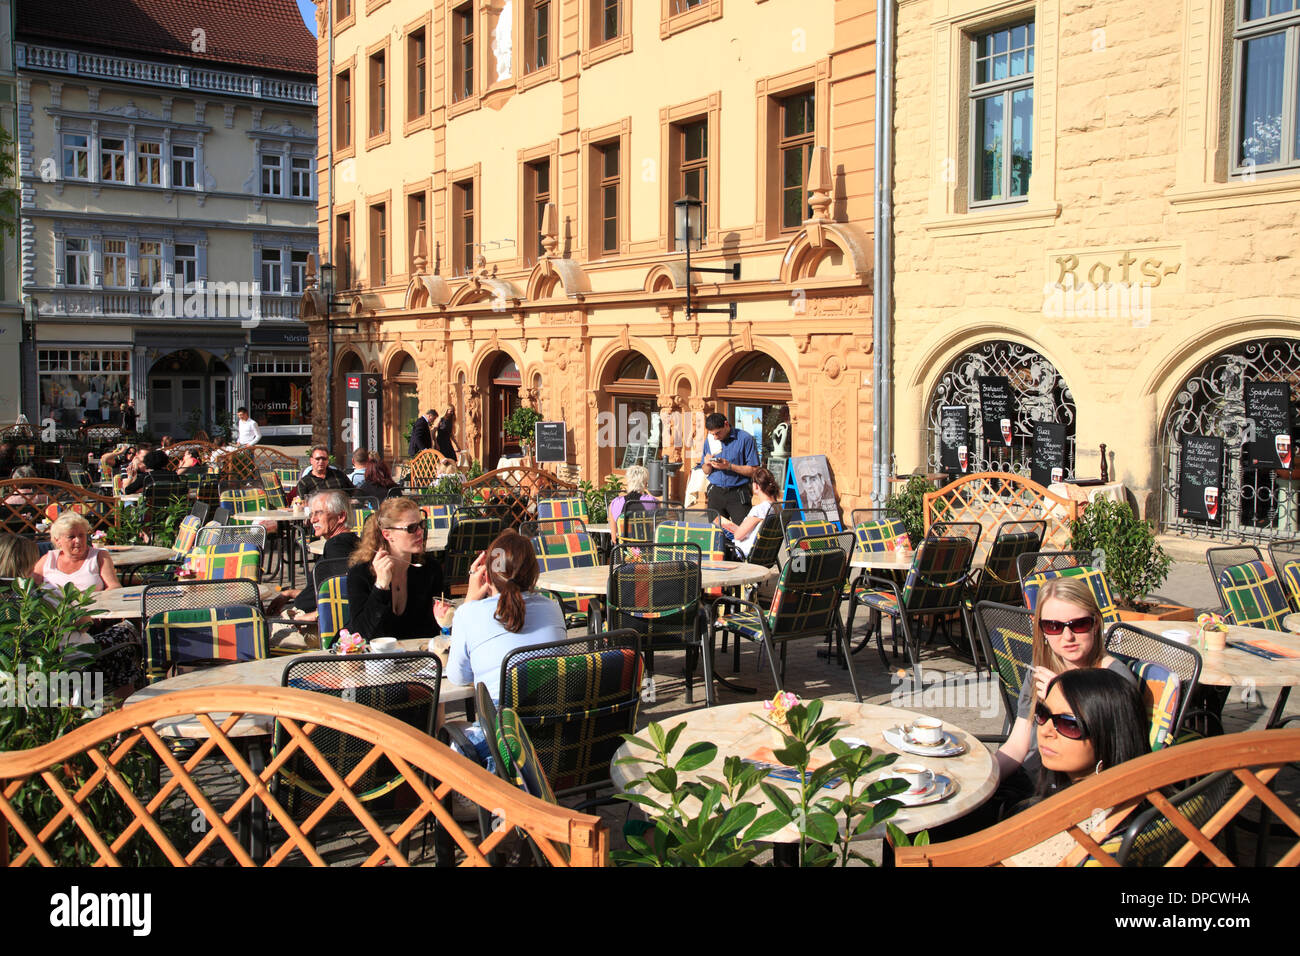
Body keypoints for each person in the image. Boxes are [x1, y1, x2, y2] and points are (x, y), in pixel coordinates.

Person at [994, 576, 1140, 800]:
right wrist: (985, 780)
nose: (1067, 637)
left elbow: (1111, 755)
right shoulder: (1041, 668)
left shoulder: (1113, 679)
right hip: (1030, 775)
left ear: (1095, 624)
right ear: (1042, 630)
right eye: (1053, 626)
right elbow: (1017, 744)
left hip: (1068, 791)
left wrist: (1060, 694)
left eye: (1079, 624)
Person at [448, 530, 566, 702]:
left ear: (487, 576)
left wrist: (469, 602)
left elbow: (458, 678)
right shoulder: (553, 608)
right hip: (551, 720)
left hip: (501, 726)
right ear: (534, 575)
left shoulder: (468, 614)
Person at [1033, 668, 1149, 800]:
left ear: (1110, 737)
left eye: (1069, 724)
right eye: (1042, 713)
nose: (1044, 731)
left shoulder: (1126, 815)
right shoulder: (1052, 786)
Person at [346, 497, 443, 639]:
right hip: (371, 657)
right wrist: (380, 587)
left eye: (422, 524)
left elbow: (436, 626)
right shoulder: (361, 573)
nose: (420, 532)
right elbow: (362, 634)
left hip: (418, 657)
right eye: (411, 528)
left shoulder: (430, 569)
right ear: (387, 534)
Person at [268, 490, 360, 620]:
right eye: (312, 514)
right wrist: (291, 593)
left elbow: (346, 593)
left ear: (341, 517)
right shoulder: (347, 541)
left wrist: (314, 615)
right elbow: (322, 591)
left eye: (319, 513)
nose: (312, 520)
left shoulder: (338, 546)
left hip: (318, 625)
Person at [35, 512, 121, 592]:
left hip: (91, 607)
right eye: (71, 537)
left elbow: (114, 586)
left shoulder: (100, 556)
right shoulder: (48, 559)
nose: (78, 540)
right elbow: (30, 587)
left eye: (81, 535)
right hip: (54, 607)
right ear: (57, 540)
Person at [699, 412, 760, 524]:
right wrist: (707, 463)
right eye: (712, 434)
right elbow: (705, 470)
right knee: (716, 534)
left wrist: (729, 466)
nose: (716, 437)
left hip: (738, 493)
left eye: (718, 433)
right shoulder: (710, 440)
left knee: (743, 534)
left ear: (726, 424)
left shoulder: (745, 439)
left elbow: (754, 470)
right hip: (715, 492)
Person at [717, 466, 780, 558]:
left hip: (745, 552)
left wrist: (734, 529)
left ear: (756, 486)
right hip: (767, 553)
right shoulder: (778, 507)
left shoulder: (759, 510)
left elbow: (738, 536)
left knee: (718, 535)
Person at [607, 464, 658, 542]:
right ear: (645, 483)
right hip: (649, 549)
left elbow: (613, 538)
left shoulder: (615, 503)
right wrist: (647, 490)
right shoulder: (651, 501)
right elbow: (657, 527)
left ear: (628, 481)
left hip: (625, 551)